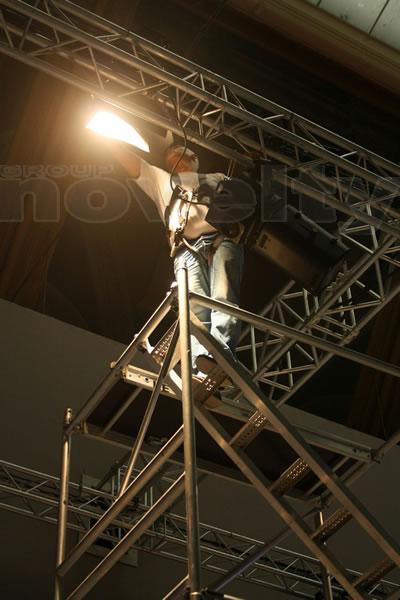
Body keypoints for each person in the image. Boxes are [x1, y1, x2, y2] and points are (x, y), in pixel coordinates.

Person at [110, 142, 244, 378]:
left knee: (223, 297)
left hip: (222, 238)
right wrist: (112, 141)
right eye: (173, 160)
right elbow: (133, 164)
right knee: (195, 308)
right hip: (185, 248)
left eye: (183, 156)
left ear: (195, 158)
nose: (178, 161)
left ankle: (219, 358)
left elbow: (244, 205)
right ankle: (201, 369)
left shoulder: (217, 177)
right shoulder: (162, 179)